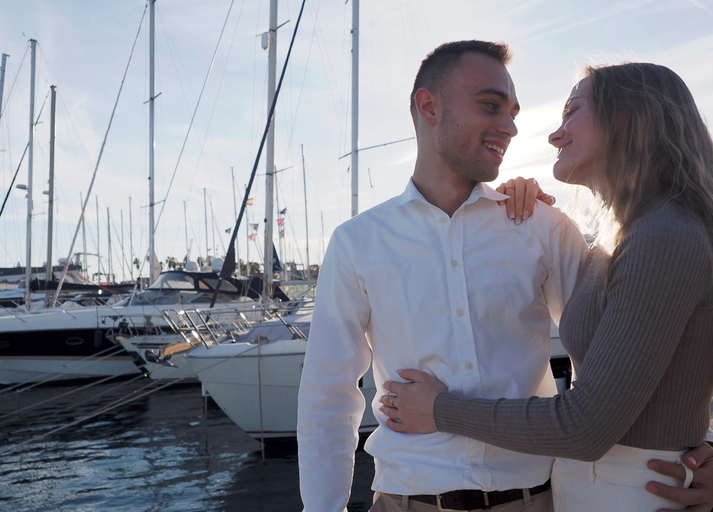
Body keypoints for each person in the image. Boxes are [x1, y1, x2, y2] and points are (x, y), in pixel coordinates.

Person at [297, 40, 713, 512]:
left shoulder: (545, 227)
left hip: (542, 499)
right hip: (406, 501)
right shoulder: (359, 241)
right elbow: (327, 397)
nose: (513, 128)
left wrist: (701, 448)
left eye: (514, 112)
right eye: (491, 106)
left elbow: (654, 359)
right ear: (428, 106)